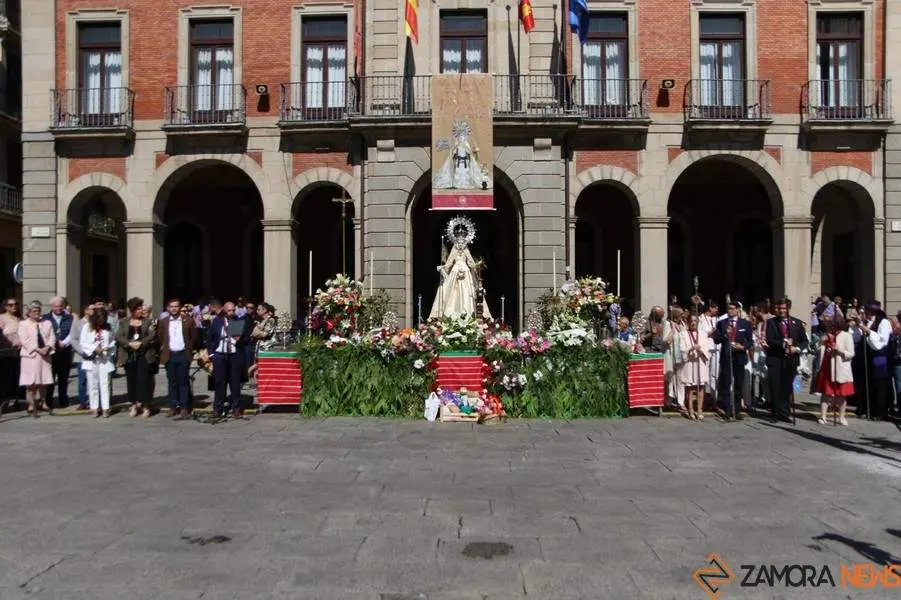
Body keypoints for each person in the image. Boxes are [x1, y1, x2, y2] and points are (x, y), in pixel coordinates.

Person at [765, 298, 809, 422]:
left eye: (784, 308)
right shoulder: (771, 322)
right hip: (775, 359)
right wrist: (783, 344)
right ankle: (775, 413)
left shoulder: (796, 322)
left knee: (787, 387)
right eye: (780, 308)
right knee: (775, 386)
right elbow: (770, 340)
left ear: (788, 308)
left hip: (791, 360)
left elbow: (804, 341)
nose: (782, 310)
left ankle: (784, 413)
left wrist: (797, 348)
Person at [206, 301, 251, 417]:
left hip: (234, 355)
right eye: (229, 310)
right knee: (219, 383)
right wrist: (211, 355)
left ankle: (236, 408)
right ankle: (218, 408)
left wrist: (238, 338)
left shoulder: (238, 321)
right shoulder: (217, 321)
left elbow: (246, 339)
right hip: (220, 355)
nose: (231, 312)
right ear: (224, 310)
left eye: (233, 310)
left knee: (235, 383)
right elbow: (210, 339)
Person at [116, 297, 157, 418]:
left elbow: (152, 335)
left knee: (144, 380)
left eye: (141, 308)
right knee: (131, 380)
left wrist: (141, 343)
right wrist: (129, 344)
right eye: (138, 309)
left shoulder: (148, 321)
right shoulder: (123, 322)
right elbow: (119, 336)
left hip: (144, 355)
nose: (141, 310)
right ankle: (134, 404)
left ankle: (146, 406)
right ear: (132, 310)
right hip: (129, 355)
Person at [712, 301, 753, 420]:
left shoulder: (745, 324)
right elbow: (716, 339)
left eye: (732, 308)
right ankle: (726, 409)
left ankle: (737, 409)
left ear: (738, 310)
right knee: (726, 383)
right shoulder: (722, 323)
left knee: (738, 384)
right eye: (729, 308)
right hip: (726, 357)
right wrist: (726, 334)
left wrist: (743, 347)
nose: (730, 310)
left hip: (739, 357)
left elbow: (750, 341)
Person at [158, 298, 197, 418]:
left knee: (183, 381)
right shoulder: (163, 321)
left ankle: (184, 407)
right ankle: (173, 406)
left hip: (183, 354)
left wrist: (189, 349)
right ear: (168, 308)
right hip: (170, 355)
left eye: (176, 306)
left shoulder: (188, 320)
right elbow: (160, 336)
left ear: (180, 307)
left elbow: (194, 337)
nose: (174, 308)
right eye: (172, 306)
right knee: (172, 382)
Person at [18, 301, 55, 417]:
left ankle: (43, 403)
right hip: (30, 356)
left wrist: (47, 347)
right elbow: (24, 340)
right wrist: (37, 349)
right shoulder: (23, 324)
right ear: (29, 313)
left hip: (45, 355)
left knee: (44, 381)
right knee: (31, 382)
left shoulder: (47, 323)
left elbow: (52, 337)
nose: (37, 313)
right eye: (34, 311)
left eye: (38, 310)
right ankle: (31, 404)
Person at [815, 317, 854, 426]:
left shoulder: (847, 336)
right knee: (826, 393)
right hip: (827, 368)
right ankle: (823, 416)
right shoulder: (827, 336)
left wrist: (839, 349)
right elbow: (817, 348)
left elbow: (851, 353)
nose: (833, 329)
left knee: (842, 394)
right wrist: (821, 341)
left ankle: (841, 417)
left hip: (841, 369)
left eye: (834, 327)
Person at [79, 307, 115, 418]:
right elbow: (83, 343)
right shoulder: (87, 327)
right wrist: (94, 348)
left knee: (105, 383)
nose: (101, 321)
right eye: (99, 319)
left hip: (104, 359)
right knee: (92, 383)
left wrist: (107, 348)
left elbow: (113, 342)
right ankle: (94, 407)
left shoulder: (108, 328)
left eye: (103, 319)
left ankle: (105, 407)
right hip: (92, 359)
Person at [859, 301, 892, 420]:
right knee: (869, 382)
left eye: (868, 311)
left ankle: (880, 412)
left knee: (880, 384)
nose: (866, 313)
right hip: (869, 355)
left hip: (880, 356)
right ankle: (867, 409)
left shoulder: (884, 322)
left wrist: (868, 331)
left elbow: (882, 341)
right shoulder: (867, 322)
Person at [42, 296, 74, 408]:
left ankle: (63, 400)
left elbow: (73, 332)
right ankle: (48, 401)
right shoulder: (45, 318)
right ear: (51, 307)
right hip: (51, 352)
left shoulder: (69, 317)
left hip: (65, 351)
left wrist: (64, 342)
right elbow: (43, 333)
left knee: (63, 377)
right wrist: (55, 341)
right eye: (56, 306)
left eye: (61, 306)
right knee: (50, 377)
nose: (59, 308)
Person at [679, 314, 709, 421]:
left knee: (700, 386)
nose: (693, 323)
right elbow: (682, 349)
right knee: (690, 387)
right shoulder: (683, 334)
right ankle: (691, 409)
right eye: (691, 321)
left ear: (698, 322)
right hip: (689, 362)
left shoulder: (703, 334)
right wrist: (691, 348)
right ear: (688, 322)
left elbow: (706, 347)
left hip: (700, 362)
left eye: (695, 321)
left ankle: (699, 409)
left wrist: (701, 349)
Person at [0, 297, 22, 411]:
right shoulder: (1, 318)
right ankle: (4, 401)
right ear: (5, 306)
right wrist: (11, 343)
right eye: (11, 305)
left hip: (20, 351)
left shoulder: (19, 318)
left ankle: (16, 399)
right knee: (6, 377)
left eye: (16, 304)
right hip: (6, 352)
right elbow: (1, 335)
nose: (14, 306)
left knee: (17, 376)